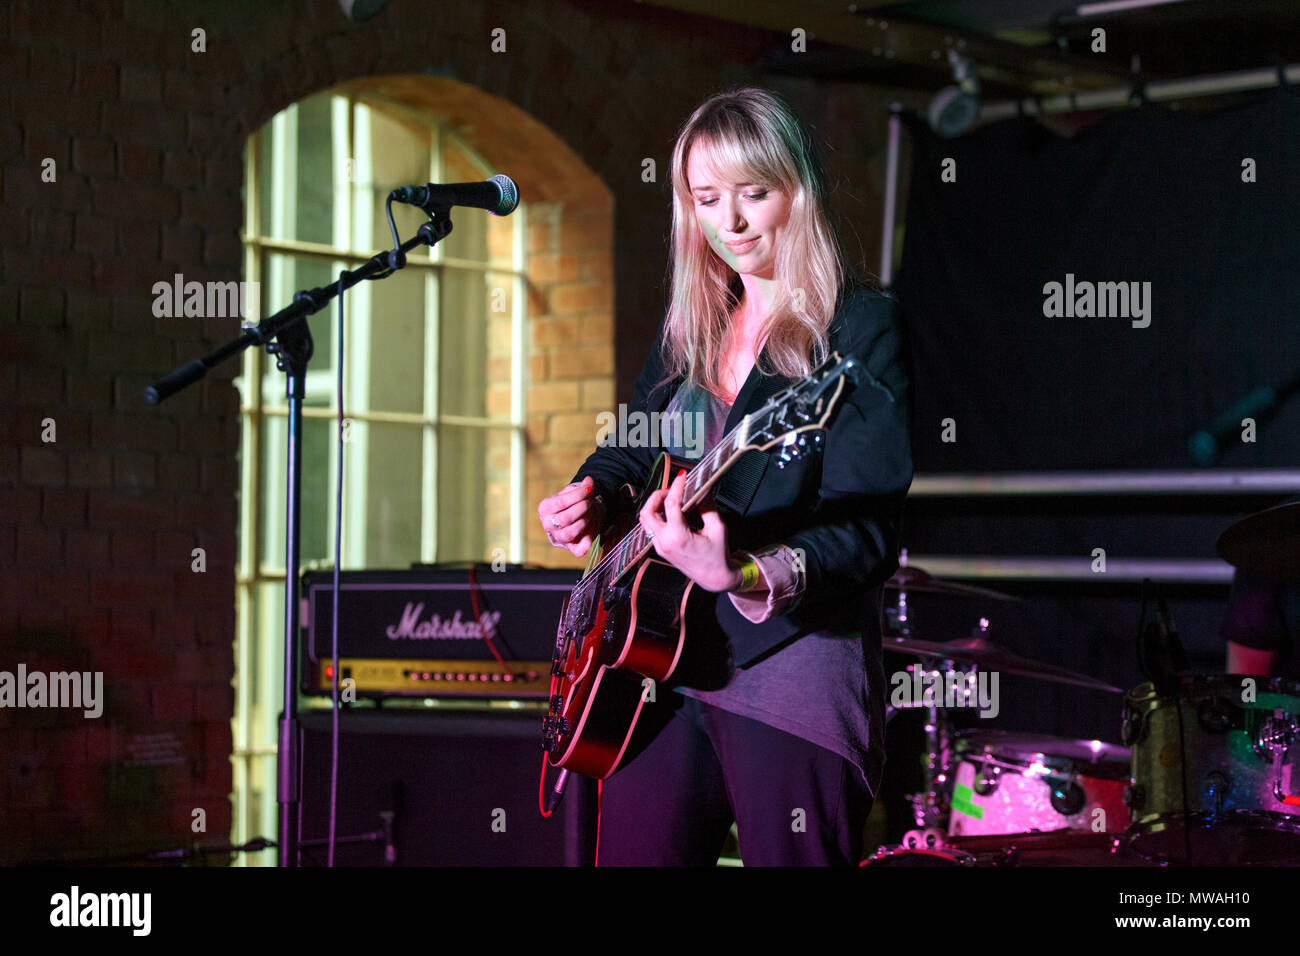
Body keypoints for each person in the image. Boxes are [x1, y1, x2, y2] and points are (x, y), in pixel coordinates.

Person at [535, 87, 913, 866]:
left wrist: (742, 569)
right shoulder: (697, 323)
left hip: (793, 664)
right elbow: (638, 445)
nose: (730, 222)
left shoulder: (859, 326)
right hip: (657, 668)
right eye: (707, 199)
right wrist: (592, 494)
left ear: (797, 192)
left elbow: (869, 526)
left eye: (753, 194)